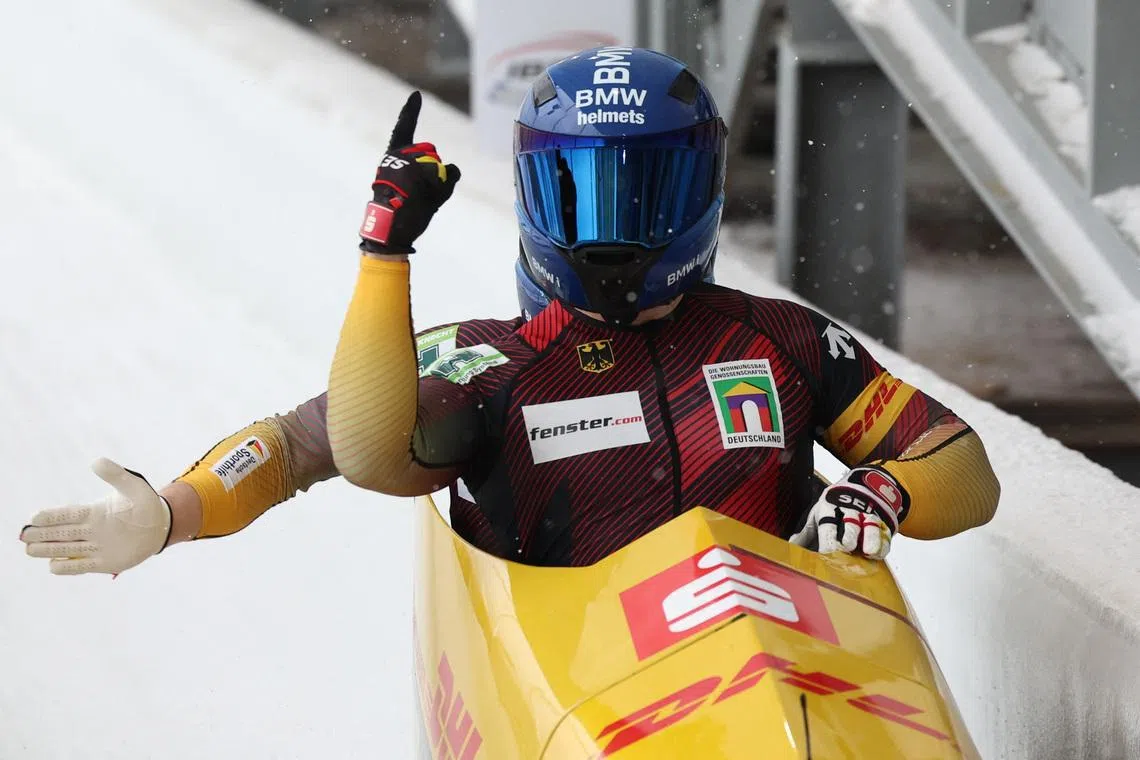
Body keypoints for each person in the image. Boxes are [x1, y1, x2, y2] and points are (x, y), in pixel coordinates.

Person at [20, 47, 999, 576]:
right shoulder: (490, 366)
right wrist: (176, 510)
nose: (614, 230)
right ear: (536, 197)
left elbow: (955, 458)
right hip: (573, 697)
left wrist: (886, 493)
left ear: (697, 193)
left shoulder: (778, 340)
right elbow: (328, 446)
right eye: (583, 195)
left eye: (643, 194)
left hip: (763, 681)